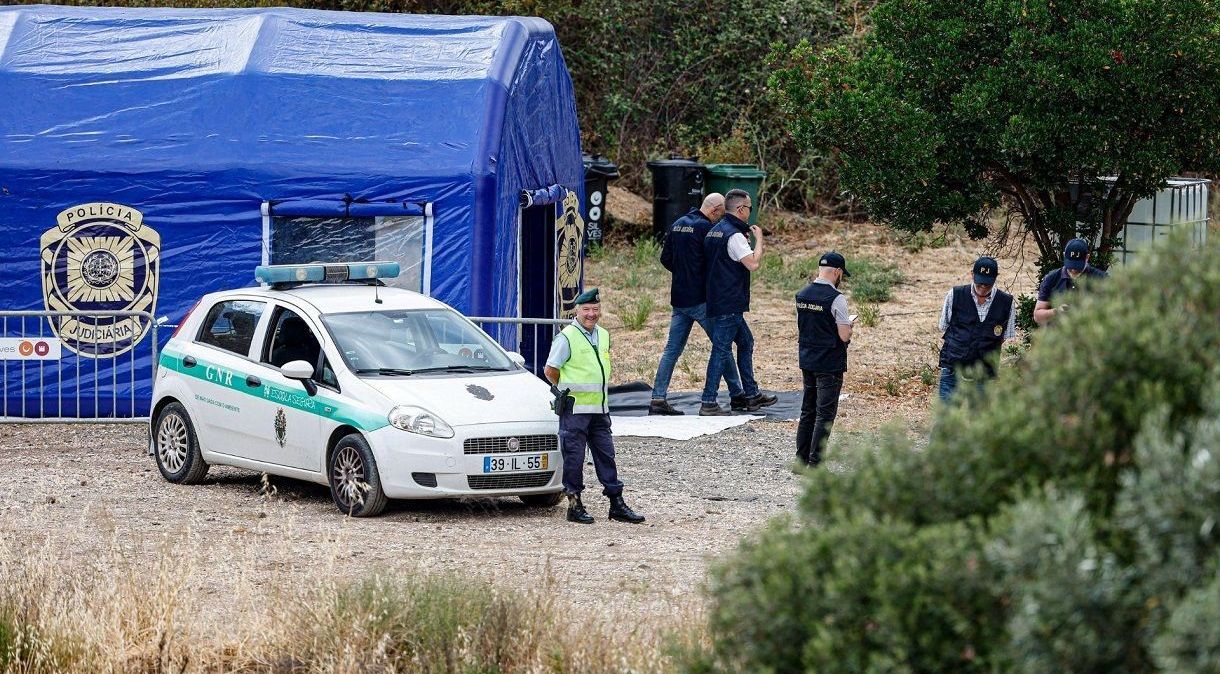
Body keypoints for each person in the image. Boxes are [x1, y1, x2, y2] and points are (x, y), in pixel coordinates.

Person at [544, 288, 646, 525]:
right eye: (587, 310)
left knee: (606, 455)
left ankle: (616, 503)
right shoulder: (567, 337)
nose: (591, 314)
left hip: (600, 409)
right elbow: (550, 370)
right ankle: (574, 504)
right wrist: (567, 390)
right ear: (577, 311)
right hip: (575, 410)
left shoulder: (603, 335)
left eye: (595, 309)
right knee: (574, 457)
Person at [649, 193, 745, 415]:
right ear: (715, 210)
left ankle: (658, 398)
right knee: (722, 346)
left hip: (679, 299)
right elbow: (715, 263)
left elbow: (665, 259)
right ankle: (737, 394)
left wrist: (683, 274)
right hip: (702, 300)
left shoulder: (678, 224)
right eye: (721, 214)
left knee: (671, 350)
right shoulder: (707, 230)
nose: (721, 219)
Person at [699, 188, 777, 416]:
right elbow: (752, 263)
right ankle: (708, 401)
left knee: (746, 342)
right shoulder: (734, 235)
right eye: (750, 208)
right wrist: (759, 240)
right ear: (741, 209)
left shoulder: (715, 230)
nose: (750, 213)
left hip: (717, 298)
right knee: (721, 351)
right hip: (729, 301)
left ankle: (751, 395)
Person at [794, 252, 853, 466]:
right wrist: (850, 327)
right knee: (824, 414)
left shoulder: (802, 294)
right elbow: (843, 335)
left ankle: (800, 461)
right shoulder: (836, 298)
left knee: (807, 410)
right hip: (829, 362)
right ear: (837, 272)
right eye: (841, 274)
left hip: (807, 358)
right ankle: (816, 463)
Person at [937, 256, 1016, 400]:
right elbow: (944, 326)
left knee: (979, 421)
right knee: (945, 420)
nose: (983, 288)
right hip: (953, 370)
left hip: (984, 375)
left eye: (987, 284)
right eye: (979, 283)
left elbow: (1003, 337)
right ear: (972, 274)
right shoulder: (954, 295)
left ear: (996, 278)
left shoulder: (1007, 303)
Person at [1033, 238, 1108, 326]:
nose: (1073, 269)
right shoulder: (1051, 278)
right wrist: (1057, 311)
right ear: (1064, 255)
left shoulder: (1101, 279)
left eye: (1077, 266)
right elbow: (1037, 317)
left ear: (1087, 258)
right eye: (1070, 264)